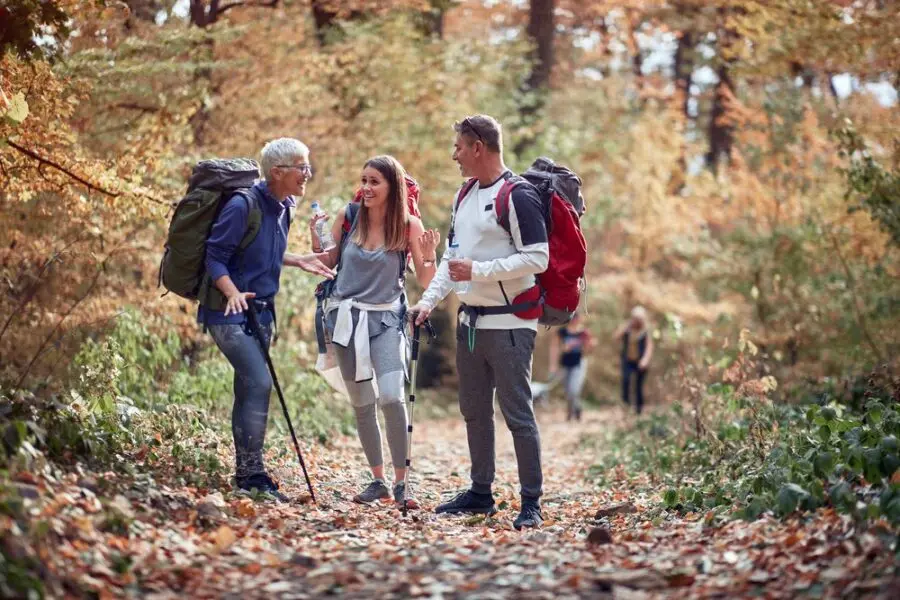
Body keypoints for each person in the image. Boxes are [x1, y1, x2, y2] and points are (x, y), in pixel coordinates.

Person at [410, 114, 549, 530]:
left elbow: (537, 258)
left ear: (478, 147)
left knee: (518, 414)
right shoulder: (465, 194)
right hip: (470, 325)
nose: (454, 155)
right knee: (473, 412)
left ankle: (531, 502)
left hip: (510, 324)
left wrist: (480, 270)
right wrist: (427, 302)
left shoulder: (518, 195)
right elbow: (453, 264)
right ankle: (480, 493)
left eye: (458, 147)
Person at [201, 138, 334, 501]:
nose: (308, 173)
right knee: (259, 382)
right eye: (301, 167)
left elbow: (264, 250)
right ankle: (252, 474)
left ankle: (247, 473)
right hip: (227, 312)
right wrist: (230, 292)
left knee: (248, 387)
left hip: (262, 312)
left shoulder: (284, 206)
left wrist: (298, 259)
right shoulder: (242, 205)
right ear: (278, 172)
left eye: (308, 166)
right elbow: (215, 257)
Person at [316, 155, 440, 507]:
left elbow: (428, 281)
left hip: (386, 320)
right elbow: (328, 262)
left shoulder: (409, 226)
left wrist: (428, 257)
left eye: (375, 182)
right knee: (362, 403)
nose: (367, 188)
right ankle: (378, 480)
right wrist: (318, 237)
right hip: (345, 318)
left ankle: (402, 483)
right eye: (364, 180)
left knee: (390, 396)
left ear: (392, 187)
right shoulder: (349, 216)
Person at [548, 312, 595, 421]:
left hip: (579, 363)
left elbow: (589, 349)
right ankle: (574, 409)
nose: (574, 320)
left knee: (574, 389)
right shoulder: (562, 332)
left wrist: (590, 346)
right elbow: (554, 347)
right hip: (565, 364)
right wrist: (553, 365)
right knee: (568, 390)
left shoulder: (584, 332)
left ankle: (573, 411)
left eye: (576, 318)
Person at [614, 306, 654, 414]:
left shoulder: (645, 331)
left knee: (638, 386)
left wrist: (645, 360)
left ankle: (638, 410)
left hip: (640, 362)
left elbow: (649, 347)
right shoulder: (628, 329)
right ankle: (625, 406)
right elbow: (616, 337)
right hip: (628, 360)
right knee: (626, 381)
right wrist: (626, 326)